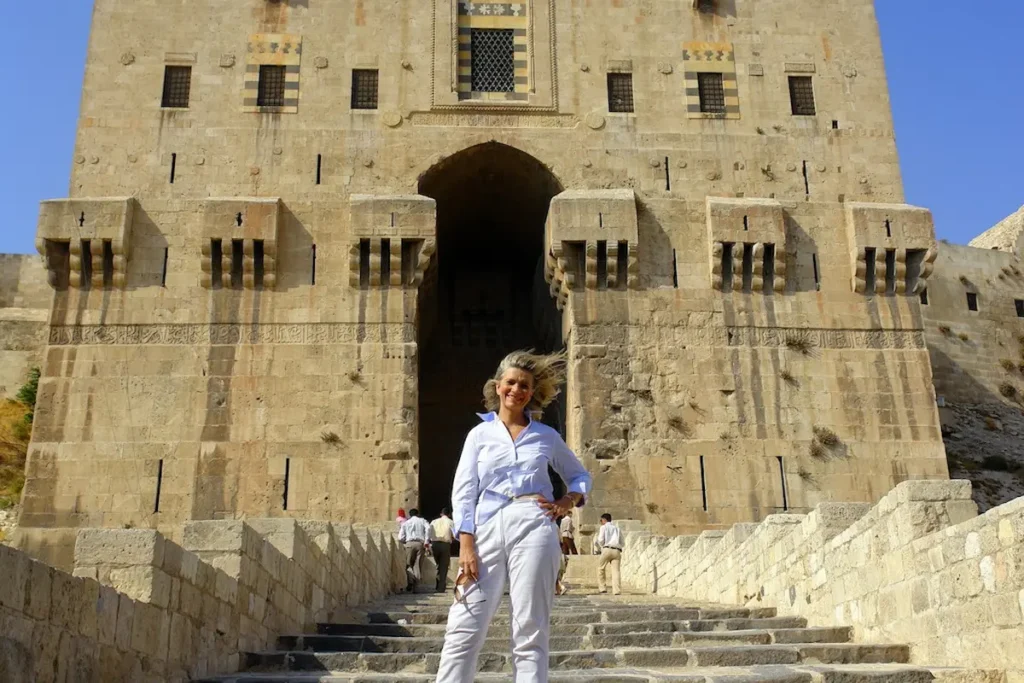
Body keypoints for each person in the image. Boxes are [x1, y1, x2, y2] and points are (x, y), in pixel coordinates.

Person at [435, 350, 591, 683]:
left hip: (534, 523)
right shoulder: (479, 435)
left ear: (532, 392)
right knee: (464, 623)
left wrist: (567, 499)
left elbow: (579, 476)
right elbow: (464, 491)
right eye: (511, 382)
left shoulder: (546, 436)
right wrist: (465, 543)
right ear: (498, 386)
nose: (516, 390)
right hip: (486, 524)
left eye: (524, 385)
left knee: (530, 627)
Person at [399, 508, 430, 592]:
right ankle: (416, 586)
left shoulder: (405, 523)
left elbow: (400, 537)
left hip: (409, 544)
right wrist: (426, 541)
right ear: (418, 514)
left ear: (409, 514)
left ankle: (410, 581)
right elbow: (428, 529)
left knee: (408, 564)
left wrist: (404, 541)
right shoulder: (423, 521)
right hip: (420, 544)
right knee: (417, 565)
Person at [595, 513, 624, 596]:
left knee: (601, 568)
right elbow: (623, 542)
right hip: (617, 550)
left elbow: (600, 540)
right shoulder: (617, 529)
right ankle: (617, 590)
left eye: (601, 520)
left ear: (604, 520)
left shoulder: (603, 527)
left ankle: (602, 588)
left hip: (607, 549)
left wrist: (603, 546)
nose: (601, 522)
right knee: (616, 571)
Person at [430, 507, 455, 593]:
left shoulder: (434, 521)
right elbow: (455, 534)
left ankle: (438, 584)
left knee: (438, 565)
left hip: (435, 544)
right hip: (445, 544)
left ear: (441, 514)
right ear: (449, 515)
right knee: (443, 566)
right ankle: (441, 587)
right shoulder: (451, 522)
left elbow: (429, 532)